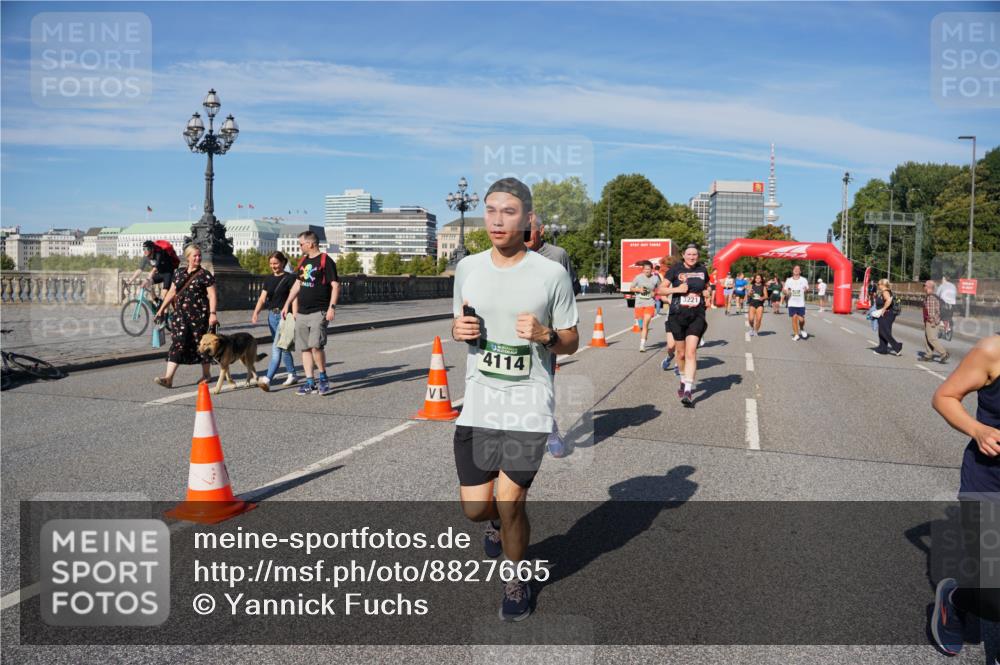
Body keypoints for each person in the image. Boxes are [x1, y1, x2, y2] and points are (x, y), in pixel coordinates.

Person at [450, 177, 579, 622]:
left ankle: (516, 576)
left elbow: (572, 340)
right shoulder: (468, 267)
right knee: (475, 508)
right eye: (490, 210)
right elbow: (459, 321)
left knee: (511, 501)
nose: (497, 220)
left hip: (527, 404)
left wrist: (546, 336)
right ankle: (494, 525)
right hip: (480, 403)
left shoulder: (551, 274)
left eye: (508, 212)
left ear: (527, 218)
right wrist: (457, 331)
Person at [929, 333, 1000, 659]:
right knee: (992, 595)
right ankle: (956, 599)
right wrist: (978, 430)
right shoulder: (992, 351)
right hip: (988, 482)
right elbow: (944, 397)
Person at [526, 215, 576, 458]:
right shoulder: (508, 253)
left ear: (542, 230)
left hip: (545, 334)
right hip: (513, 331)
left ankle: (550, 429)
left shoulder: (557, 255)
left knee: (543, 385)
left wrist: (561, 331)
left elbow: (569, 292)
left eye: (529, 229)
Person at [282, 231, 339, 396]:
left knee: (316, 346)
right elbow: (297, 285)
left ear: (311, 244)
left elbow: (335, 286)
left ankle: (323, 378)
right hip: (301, 312)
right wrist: (287, 304)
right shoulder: (303, 261)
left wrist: (332, 307)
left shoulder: (325, 261)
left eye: (301, 244)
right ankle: (309, 382)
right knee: (304, 348)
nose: (299, 246)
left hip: (319, 310)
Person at [151, 244, 216, 388]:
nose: (198, 258)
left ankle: (206, 374)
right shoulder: (179, 273)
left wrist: (212, 314)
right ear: (188, 258)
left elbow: (212, 295)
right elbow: (172, 292)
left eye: (199, 255)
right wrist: (161, 309)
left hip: (199, 317)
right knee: (178, 343)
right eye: (195, 256)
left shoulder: (205, 275)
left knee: (202, 344)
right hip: (180, 316)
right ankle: (168, 378)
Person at [657, 244, 709, 406]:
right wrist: (677, 289)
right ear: (684, 255)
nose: (692, 257)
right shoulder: (675, 269)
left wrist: (707, 292)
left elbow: (707, 287)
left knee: (691, 352)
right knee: (680, 354)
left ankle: (688, 390)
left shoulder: (702, 270)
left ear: (697, 256)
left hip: (697, 315)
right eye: (689, 254)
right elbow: (661, 290)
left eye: (695, 254)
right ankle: (682, 379)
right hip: (677, 315)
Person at [252, 251, 300, 391]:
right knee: (283, 346)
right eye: (271, 263)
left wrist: (295, 316)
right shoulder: (268, 279)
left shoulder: (290, 278)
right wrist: (256, 312)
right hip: (272, 317)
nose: (273, 266)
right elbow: (262, 298)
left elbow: (295, 297)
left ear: (283, 263)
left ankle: (267, 378)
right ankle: (292, 374)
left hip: (285, 316)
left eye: (276, 263)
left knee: (276, 348)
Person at [630, 260, 660, 353]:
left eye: (649, 269)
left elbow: (661, 289)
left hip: (650, 303)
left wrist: (654, 293)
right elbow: (631, 288)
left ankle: (642, 345)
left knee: (645, 324)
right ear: (643, 270)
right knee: (641, 326)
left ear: (652, 270)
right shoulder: (638, 277)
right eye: (645, 269)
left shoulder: (655, 278)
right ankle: (644, 332)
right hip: (639, 303)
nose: (647, 271)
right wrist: (639, 289)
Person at [918, 279, 950, 364]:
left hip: (931, 321)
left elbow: (931, 312)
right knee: (927, 338)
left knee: (932, 339)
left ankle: (944, 353)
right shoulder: (932, 296)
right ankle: (928, 355)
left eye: (924, 285)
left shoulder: (931, 297)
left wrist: (932, 322)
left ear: (928, 287)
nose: (923, 287)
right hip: (929, 320)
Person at [871, 277, 902, 356]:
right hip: (887, 314)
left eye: (878, 284)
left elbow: (888, 300)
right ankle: (882, 348)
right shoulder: (884, 291)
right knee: (882, 331)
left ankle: (897, 346)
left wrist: (883, 309)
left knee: (884, 332)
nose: (878, 286)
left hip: (887, 314)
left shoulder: (885, 291)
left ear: (882, 285)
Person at [783, 266, 810, 341]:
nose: (796, 270)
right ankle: (796, 334)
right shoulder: (789, 280)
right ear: (793, 271)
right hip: (792, 302)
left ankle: (801, 328)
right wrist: (786, 292)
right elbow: (784, 290)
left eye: (798, 269)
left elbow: (807, 289)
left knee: (801, 320)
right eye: (795, 269)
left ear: (800, 271)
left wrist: (806, 290)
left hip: (800, 303)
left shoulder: (804, 280)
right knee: (794, 317)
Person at [937, 275, 958, 341]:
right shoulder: (953, 286)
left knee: (938, 314)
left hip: (943, 304)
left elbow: (937, 295)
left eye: (942, 279)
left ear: (945, 279)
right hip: (952, 305)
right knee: (949, 317)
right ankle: (947, 328)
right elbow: (955, 294)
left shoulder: (942, 285)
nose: (941, 280)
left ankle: (941, 325)